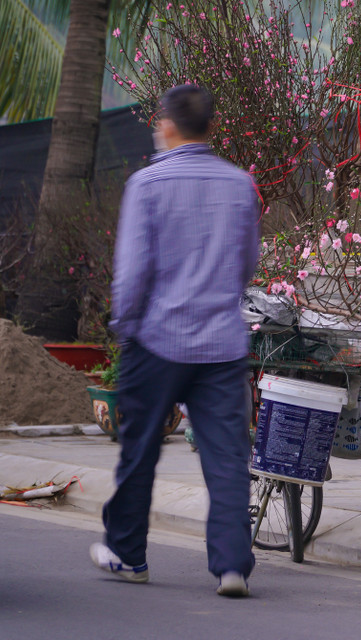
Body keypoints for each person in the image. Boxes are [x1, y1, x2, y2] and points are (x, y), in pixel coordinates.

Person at [90, 85, 260, 597]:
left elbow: (132, 273)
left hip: (157, 341)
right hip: (222, 345)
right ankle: (232, 566)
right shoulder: (239, 185)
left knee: (140, 450)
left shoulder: (147, 184)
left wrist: (125, 328)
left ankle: (128, 554)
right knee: (226, 457)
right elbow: (247, 264)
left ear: (165, 125)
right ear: (211, 127)